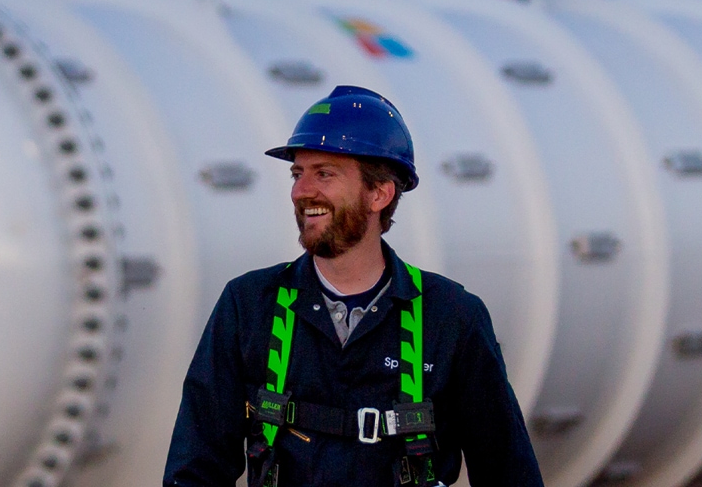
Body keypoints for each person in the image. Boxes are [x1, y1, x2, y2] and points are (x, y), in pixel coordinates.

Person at [163, 86, 543, 486]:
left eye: (324, 173)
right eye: (298, 173)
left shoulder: (451, 316)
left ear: (379, 193)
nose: (301, 191)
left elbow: (508, 471)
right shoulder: (249, 306)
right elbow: (194, 471)